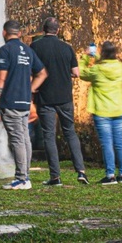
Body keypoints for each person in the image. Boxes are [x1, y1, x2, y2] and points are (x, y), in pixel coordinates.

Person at [30, 17, 89, 186]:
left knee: (49, 135)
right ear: (58, 30)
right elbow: (76, 73)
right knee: (70, 131)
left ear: (43, 29)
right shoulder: (67, 48)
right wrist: (64, 72)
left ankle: (55, 176)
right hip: (64, 97)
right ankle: (81, 171)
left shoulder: (35, 47)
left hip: (45, 97)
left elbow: (32, 70)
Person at [0, 20, 46, 190]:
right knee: (24, 139)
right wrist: (29, 89)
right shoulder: (28, 51)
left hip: (11, 100)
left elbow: (1, 77)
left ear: (4, 33)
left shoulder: (5, 50)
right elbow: (42, 73)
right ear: (20, 33)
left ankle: (22, 178)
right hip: (24, 101)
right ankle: (25, 176)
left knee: (17, 140)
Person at [79, 41, 122, 184]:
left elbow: (81, 73)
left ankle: (110, 175)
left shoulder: (97, 69)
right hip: (119, 108)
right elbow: (106, 62)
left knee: (107, 143)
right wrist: (97, 56)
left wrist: (86, 57)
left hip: (102, 110)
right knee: (120, 142)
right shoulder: (119, 66)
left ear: (103, 53)